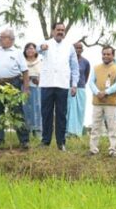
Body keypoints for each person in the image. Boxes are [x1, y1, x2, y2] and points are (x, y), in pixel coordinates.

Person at [0, 28, 30, 149]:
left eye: (3, 37)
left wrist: (26, 88)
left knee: (17, 112)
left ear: (11, 39)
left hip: (13, 84)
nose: (0, 39)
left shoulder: (17, 52)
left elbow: (25, 71)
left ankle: (24, 141)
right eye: (0, 37)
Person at [38, 22, 79, 151]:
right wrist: (41, 47)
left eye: (62, 30)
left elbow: (74, 67)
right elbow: (36, 50)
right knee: (46, 114)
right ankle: (45, 141)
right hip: (47, 84)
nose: (60, 32)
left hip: (62, 84)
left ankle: (61, 143)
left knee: (61, 114)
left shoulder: (70, 47)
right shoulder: (46, 44)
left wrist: (74, 85)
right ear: (53, 31)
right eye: (58, 29)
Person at [87, 46, 116, 157]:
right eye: (104, 54)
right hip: (97, 102)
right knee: (95, 127)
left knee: (112, 127)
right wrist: (98, 92)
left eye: (108, 54)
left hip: (111, 103)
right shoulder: (96, 68)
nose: (106, 56)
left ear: (113, 56)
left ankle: (113, 149)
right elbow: (91, 82)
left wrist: (106, 92)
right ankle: (93, 149)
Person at [67, 42, 90, 137]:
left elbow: (86, 75)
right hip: (68, 87)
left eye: (80, 48)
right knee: (68, 110)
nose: (78, 49)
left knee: (80, 110)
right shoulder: (68, 60)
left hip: (80, 88)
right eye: (76, 48)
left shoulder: (86, 62)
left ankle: (78, 133)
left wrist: (81, 85)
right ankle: (68, 133)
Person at [23, 42, 42, 137]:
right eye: (28, 49)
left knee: (37, 108)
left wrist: (38, 80)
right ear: (25, 51)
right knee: (25, 108)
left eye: (32, 48)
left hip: (37, 88)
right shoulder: (22, 62)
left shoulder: (40, 62)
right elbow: (18, 74)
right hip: (24, 88)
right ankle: (26, 130)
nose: (30, 50)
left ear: (35, 51)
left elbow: (44, 76)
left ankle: (37, 130)